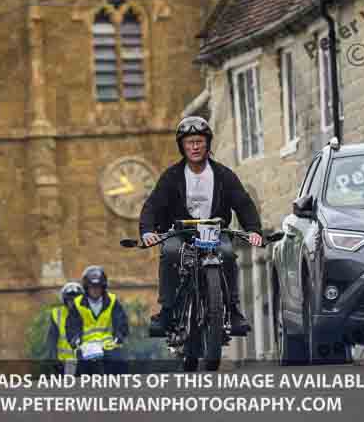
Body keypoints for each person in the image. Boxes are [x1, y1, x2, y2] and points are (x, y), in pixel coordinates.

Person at [139, 116, 263, 335]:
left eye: (199, 141)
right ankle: (167, 311)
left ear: (207, 144)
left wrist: (253, 230)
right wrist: (148, 231)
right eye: (189, 142)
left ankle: (233, 311)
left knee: (227, 253)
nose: (195, 147)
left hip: (214, 232)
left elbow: (243, 203)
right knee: (169, 252)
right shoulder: (171, 176)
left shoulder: (223, 175)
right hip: (182, 232)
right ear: (182, 146)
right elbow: (153, 204)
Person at [66, 266, 129, 375]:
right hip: (86, 346)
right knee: (81, 371)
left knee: (121, 365)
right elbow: (71, 325)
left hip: (109, 345)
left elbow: (121, 321)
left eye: (98, 286)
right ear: (86, 287)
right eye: (92, 287)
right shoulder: (77, 303)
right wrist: (74, 339)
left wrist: (119, 335)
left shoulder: (112, 301)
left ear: (103, 287)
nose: (95, 290)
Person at [45, 282, 84, 376]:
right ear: (65, 300)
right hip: (63, 364)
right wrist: (53, 359)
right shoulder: (57, 313)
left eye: (76, 300)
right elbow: (51, 340)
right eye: (70, 300)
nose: (73, 303)